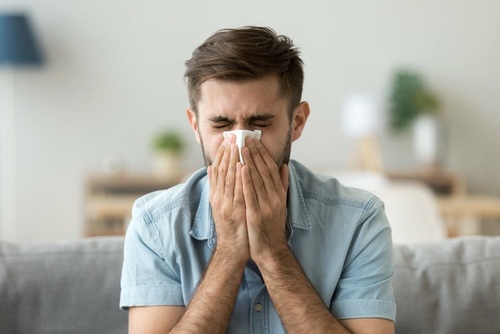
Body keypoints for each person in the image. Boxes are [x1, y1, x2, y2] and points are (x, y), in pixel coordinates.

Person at [120, 26, 396, 333]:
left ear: (297, 122)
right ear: (195, 125)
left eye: (260, 123)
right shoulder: (154, 226)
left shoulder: (359, 220)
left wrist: (272, 251)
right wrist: (228, 252)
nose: (240, 145)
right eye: (221, 124)